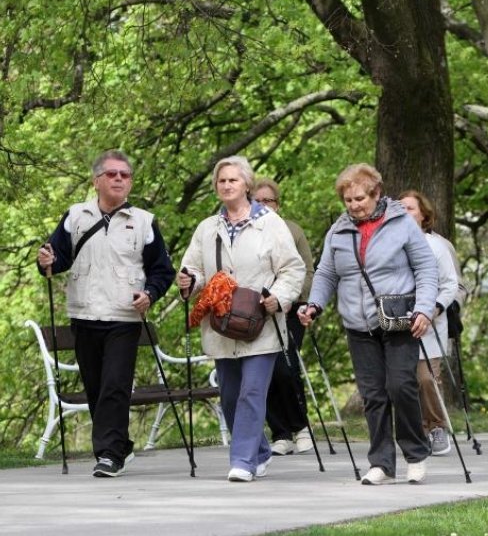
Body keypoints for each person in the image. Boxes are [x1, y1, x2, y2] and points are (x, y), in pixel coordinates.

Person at [36, 150, 176, 477]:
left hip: (124, 317)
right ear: (96, 180)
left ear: (130, 182)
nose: (118, 179)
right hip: (84, 315)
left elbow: (162, 271)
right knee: (96, 387)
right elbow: (56, 259)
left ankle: (109, 455)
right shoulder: (75, 216)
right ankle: (120, 445)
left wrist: (150, 294)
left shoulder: (144, 221)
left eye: (124, 175)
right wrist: (46, 263)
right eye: (111, 174)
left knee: (115, 384)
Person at [298, 163, 438, 485]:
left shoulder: (402, 223)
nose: (354, 205)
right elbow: (326, 273)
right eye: (348, 200)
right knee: (373, 394)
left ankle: (415, 454)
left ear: (376, 194)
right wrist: (314, 304)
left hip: (398, 319)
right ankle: (382, 464)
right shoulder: (338, 230)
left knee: (400, 386)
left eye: (360, 198)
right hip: (358, 323)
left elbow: (426, 269)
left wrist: (424, 310)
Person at [177, 156, 305, 482]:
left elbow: (293, 269)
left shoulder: (270, 224)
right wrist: (189, 280)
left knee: (251, 392)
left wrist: (279, 296)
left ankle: (243, 461)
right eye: (222, 181)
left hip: (260, 323)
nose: (227, 185)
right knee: (231, 395)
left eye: (233, 180)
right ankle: (260, 450)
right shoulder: (208, 228)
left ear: (246, 184)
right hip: (222, 326)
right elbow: (194, 267)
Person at [253, 178, 315, 455]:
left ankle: (300, 427)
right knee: (262, 372)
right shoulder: (247, 231)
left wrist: (291, 299)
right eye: (258, 201)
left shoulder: (293, 230)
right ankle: (280, 432)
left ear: (278, 204)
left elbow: (307, 270)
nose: (264, 206)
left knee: (285, 368)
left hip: (289, 310)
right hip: (256, 312)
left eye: (269, 201)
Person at [398, 190, 458, 456]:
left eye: (410, 208)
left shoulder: (437, 246)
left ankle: (436, 426)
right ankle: (415, 430)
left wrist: (433, 309)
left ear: (423, 214)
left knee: (426, 379)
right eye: (400, 209)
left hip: (429, 325)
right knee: (402, 382)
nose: (405, 213)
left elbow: (449, 285)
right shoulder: (391, 246)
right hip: (398, 325)